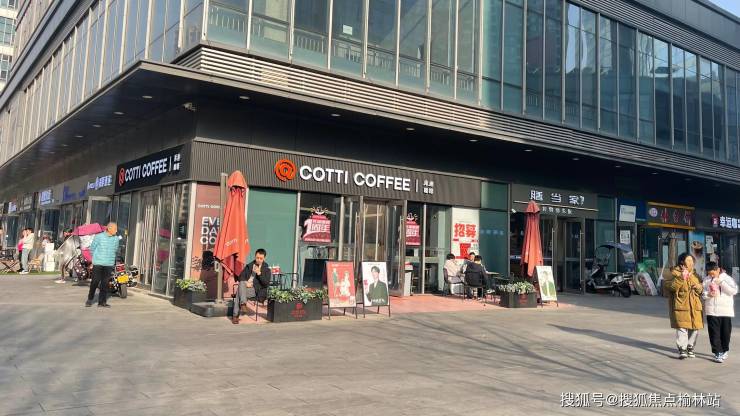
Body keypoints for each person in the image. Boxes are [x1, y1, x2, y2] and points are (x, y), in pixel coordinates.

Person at [664, 253, 704, 359]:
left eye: (692, 261)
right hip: (681, 305)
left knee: (695, 328)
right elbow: (670, 287)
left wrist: (699, 287)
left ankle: (690, 347)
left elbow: (702, 289)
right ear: (682, 262)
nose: (691, 263)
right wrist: (681, 278)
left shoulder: (695, 275)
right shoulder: (674, 273)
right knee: (682, 328)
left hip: (695, 306)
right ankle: (682, 348)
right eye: (688, 260)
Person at [703, 262, 737, 363]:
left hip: (725, 311)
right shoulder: (706, 280)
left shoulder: (727, 278)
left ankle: (725, 350)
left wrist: (721, 283)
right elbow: (702, 293)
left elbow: (734, 291)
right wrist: (708, 294)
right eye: (709, 273)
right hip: (711, 311)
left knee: (725, 333)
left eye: (713, 273)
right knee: (714, 333)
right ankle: (717, 352)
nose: (711, 275)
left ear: (718, 269)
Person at [85, 223, 120, 308]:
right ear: (109, 228)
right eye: (115, 229)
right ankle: (90, 299)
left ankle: (102, 302)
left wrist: (111, 258)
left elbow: (115, 249)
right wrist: (95, 259)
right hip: (98, 263)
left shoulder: (116, 239)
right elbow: (92, 248)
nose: (116, 231)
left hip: (109, 263)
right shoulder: (99, 236)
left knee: (105, 283)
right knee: (95, 281)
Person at [232, 248, 271, 324]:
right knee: (242, 283)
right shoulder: (249, 266)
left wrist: (259, 274)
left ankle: (235, 316)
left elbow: (266, 283)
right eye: (257, 258)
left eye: (261, 258)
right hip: (245, 288)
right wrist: (246, 282)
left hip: (256, 290)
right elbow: (241, 277)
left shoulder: (266, 269)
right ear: (255, 256)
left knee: (238, 293)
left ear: (264, 258)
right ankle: (243, 304)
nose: (258, 260)